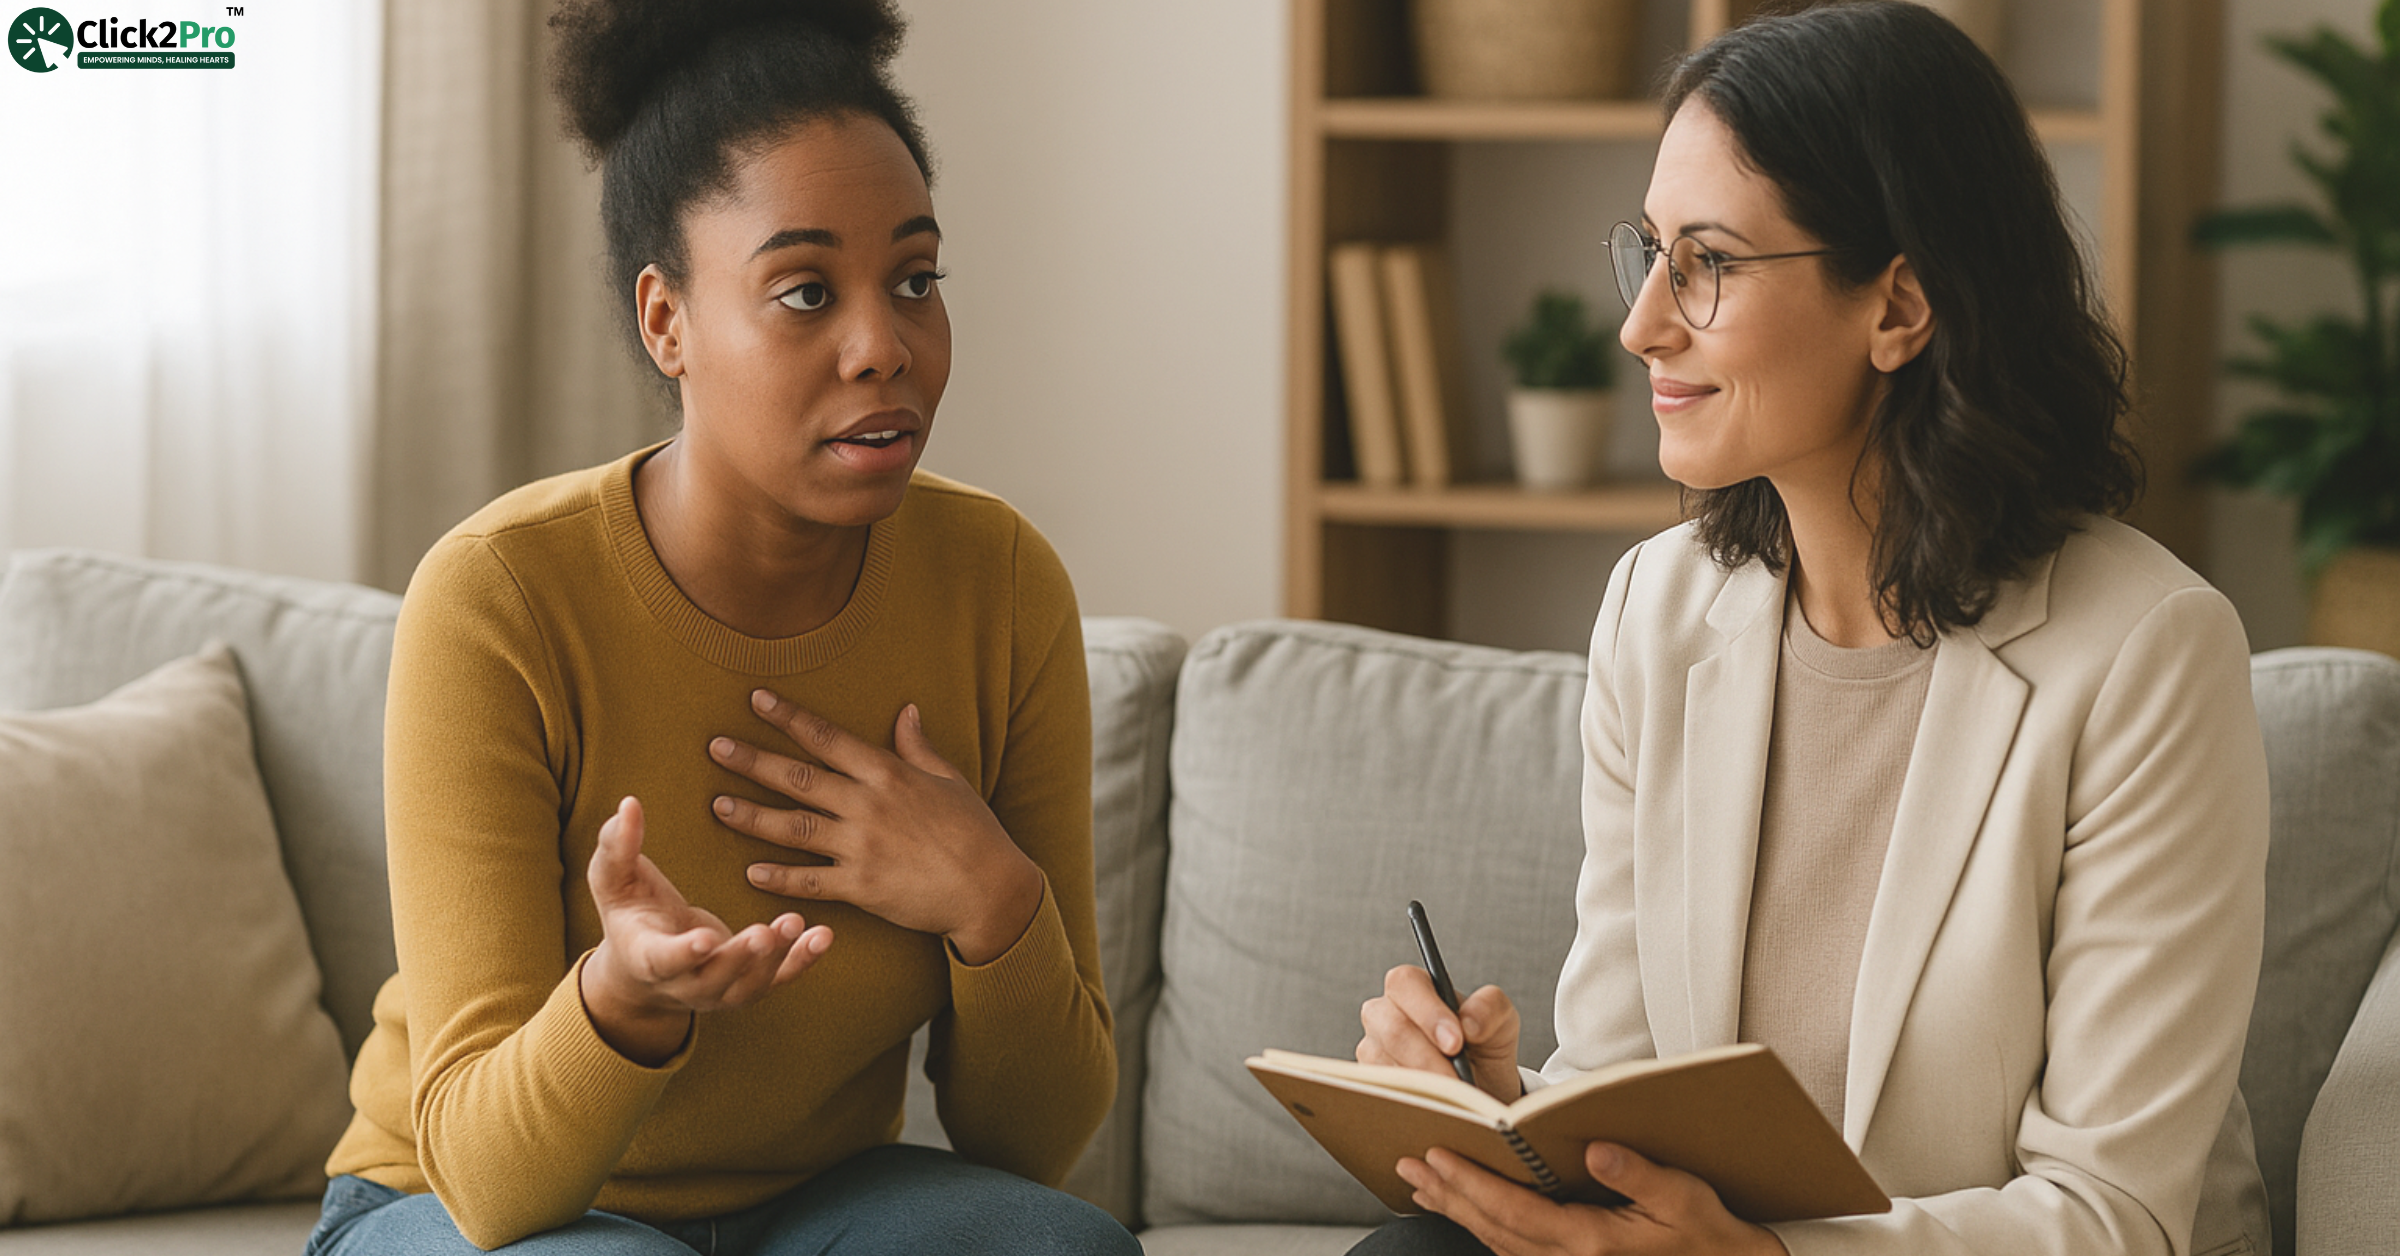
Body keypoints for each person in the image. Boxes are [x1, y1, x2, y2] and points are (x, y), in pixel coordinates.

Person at [1350, 5, 2272, 1255]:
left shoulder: (2146, 651)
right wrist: (1501, 1111)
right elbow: (1625, 1099)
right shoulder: (1656, 610)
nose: (1642, 325)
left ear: (1899, 306)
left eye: (1710, 263)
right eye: (1651, 253)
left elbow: (2115, 1211)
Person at [306, 2, 1136, 1252]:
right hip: (458, 1208)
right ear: (666, 321)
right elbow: (480, 1174)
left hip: (812, 1200)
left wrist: (992, 898)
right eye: (806, 291)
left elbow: (1032, 1144)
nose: (884, 346)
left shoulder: (1001, 586)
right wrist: (620, 999)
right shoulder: (498, 599)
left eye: (916, 279)